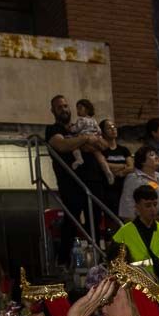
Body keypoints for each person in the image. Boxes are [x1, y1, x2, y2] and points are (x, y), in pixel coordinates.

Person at [45, 96, 94, 265]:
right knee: (72, 219)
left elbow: (98, 144)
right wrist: (85, 139)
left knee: (93, 219)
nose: (64, 109)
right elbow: (62, 145)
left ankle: (95, 257)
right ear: (53, 111)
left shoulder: (77, 128)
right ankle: (63, 261)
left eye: (66, 106)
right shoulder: (52, 129)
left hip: (87, 180)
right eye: (60, 107)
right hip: (69, 181)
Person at [113, 186, 159, 312]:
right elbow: (115, 267)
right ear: (137, 207)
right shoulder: (123, 234)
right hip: (136, 298)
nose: (153, 209)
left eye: (155, 204)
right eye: (148, 205)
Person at [119, 146, 159, 227]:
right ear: (143, 161)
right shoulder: (134, 178)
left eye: (156, 154)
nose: (156, 157)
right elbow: (127, 207)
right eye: (152, 155)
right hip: (145, 226)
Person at [99, 119, 132, 217]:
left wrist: (120, 172)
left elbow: (131, 167)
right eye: (109, 128)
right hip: (109, 189)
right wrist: (122, 166)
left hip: (124, 188)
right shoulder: (102, 150)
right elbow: (104, 164)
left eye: (114, 127)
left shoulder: (123, 150)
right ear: (103, 132)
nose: (113, 129)